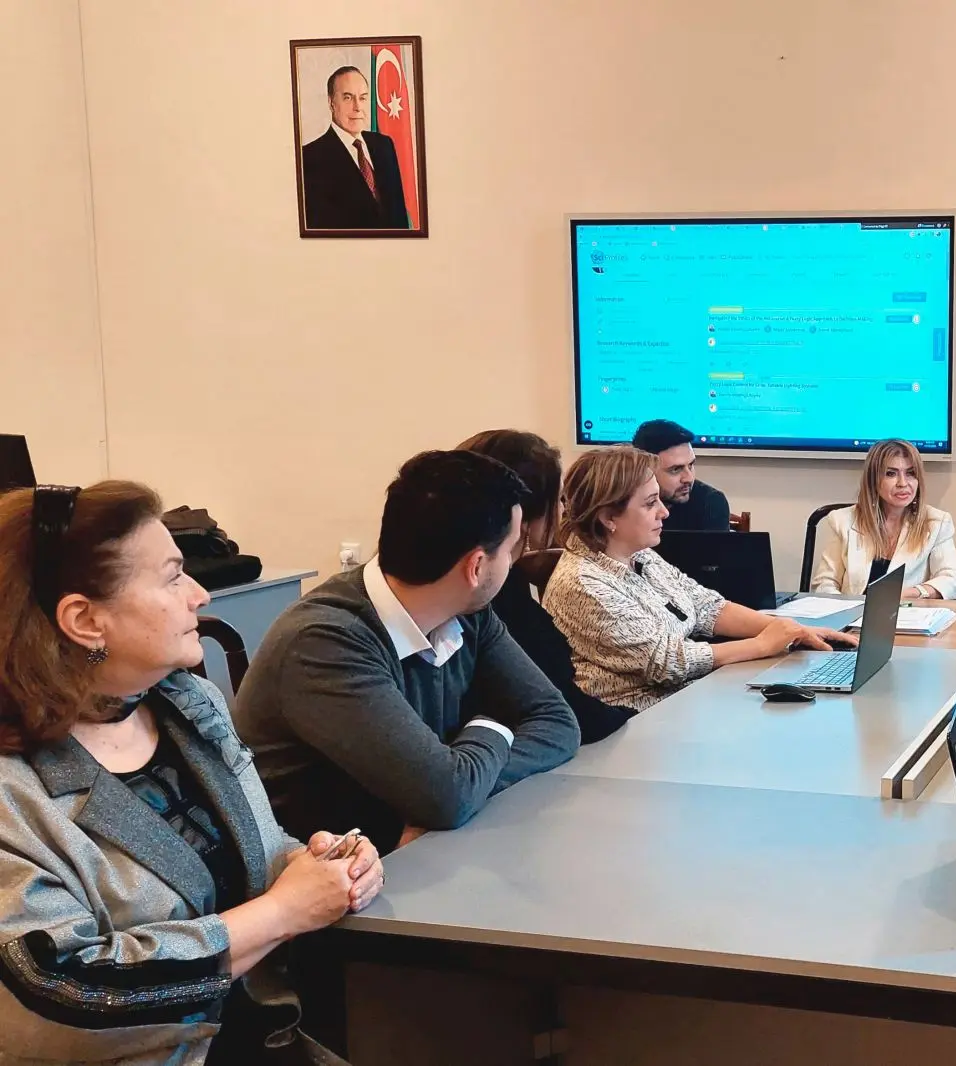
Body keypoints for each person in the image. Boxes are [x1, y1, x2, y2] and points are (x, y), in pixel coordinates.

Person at [0, 482, 382, 1065]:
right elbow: (67, 993)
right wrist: (283, 911)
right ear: (84, 619)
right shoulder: (14, 791)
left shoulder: (188, 704)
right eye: (173, 577)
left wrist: (319, 862)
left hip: (267, 1033)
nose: (200, 595)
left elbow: (256, 847)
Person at [234, 451, 579, 855]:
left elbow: (558, 723)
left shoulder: (469, 613)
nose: (514, 560)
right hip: (331, 874)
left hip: (419, 849)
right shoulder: (324, 642)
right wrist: (492, 727)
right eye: (512, 548)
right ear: (476, 566)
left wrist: (465, 780)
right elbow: (447, 797)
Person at [544, 446, 854, 711]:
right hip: (639, 719)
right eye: (650, 503)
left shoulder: (639, 554)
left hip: (690, 698)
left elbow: (706, 606)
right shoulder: (583, 583)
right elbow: (666, 662)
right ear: (608, 517)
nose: (664, 512)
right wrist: (762, 644)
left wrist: (793, 631)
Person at [458, 428, 636, 743]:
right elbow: (558, 706)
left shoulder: (506, 580)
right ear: (522, 514)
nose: (564, 510)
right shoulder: (487, 596)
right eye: (560, 499)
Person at [810, 439, 956, 599]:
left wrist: (910, 593)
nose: (903, 483)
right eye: (891, 474)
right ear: (873, 480)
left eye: (910, 473)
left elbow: (953, 581)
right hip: (852, 612)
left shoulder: (936, 522)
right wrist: (847, 609)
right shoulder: (842, 521)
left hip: (907, 612)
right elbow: (824, 584)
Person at [300, 65, 409, 230]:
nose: (357, 107)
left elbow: (399, 215)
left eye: (363, 98)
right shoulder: (310, 157)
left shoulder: (384, 145)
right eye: (348, 98)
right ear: (331, 103)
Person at [631, 419, 732, 532]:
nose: (689, 478)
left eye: (690, 465)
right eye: (675, 469)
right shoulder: (624, 501)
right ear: (646, 470)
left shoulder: (711, 502)